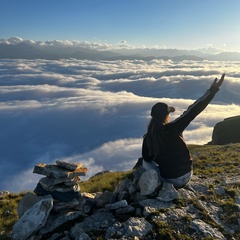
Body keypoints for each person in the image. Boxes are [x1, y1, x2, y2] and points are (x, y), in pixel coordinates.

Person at [142, 74, 225, 189]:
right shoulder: (175, 127)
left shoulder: (148, 138)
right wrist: (212, 90)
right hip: (186, 175)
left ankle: (152, 184)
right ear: (167, 116)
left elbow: (147, 159)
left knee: (145, 163)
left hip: (168, 178)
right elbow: (194, 110)